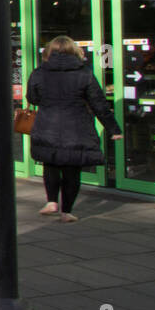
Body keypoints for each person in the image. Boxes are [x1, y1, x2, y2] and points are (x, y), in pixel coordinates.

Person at [26, 35, 122, 223]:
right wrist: (113, 129)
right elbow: (99, 104)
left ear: (49, 52)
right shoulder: (84, 73)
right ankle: (66, 211)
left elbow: (32, 98)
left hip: (47, 126)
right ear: (75, 51)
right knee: (72, 170)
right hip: (77, 128)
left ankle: (51, 201)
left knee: (50, 164)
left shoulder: (39, 72)